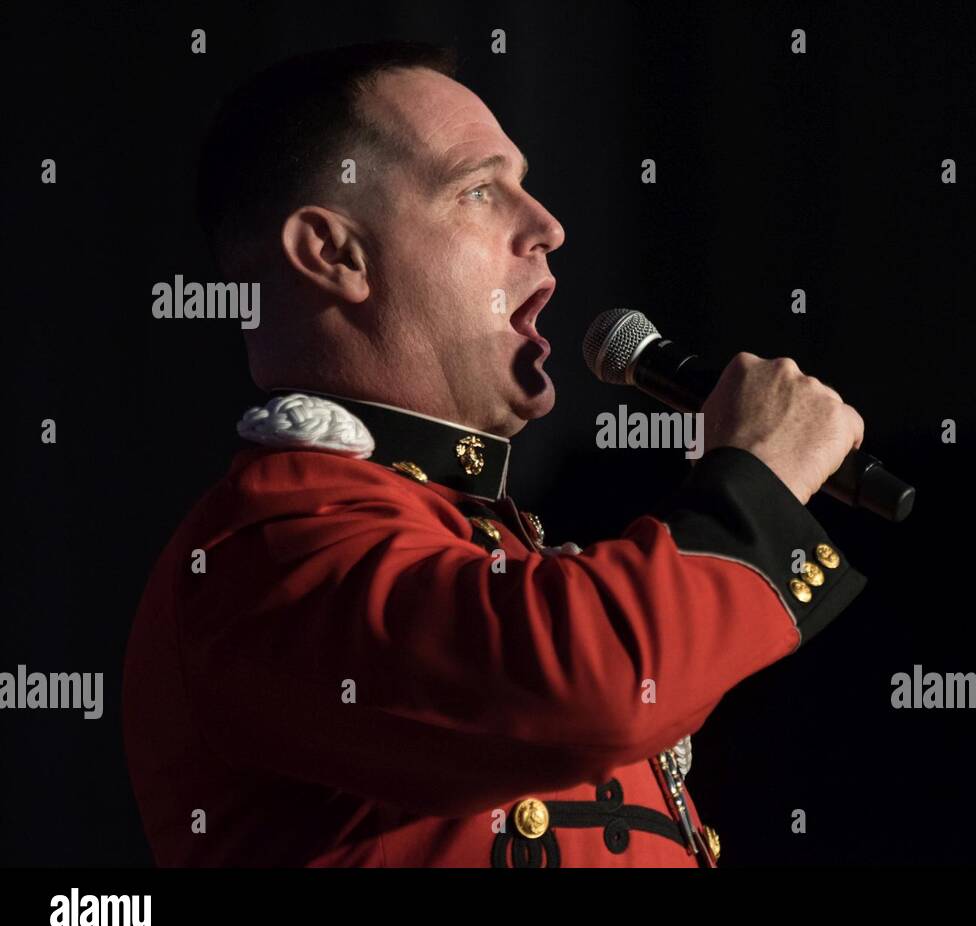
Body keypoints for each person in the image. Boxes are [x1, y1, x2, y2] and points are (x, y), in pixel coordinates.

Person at [123, 41, 868, 867]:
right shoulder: (261, 551)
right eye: (477, 190)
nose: (547, 226)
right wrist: (752, 486)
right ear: (335, 254)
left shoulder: (477, 537)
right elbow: (591, 684)